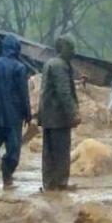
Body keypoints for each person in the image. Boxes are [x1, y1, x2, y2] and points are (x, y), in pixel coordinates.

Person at [0, 34, 31, 189]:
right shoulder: (20, 68)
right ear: (16, 49)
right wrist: (27, 113)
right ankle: (7, 176)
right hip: (13, 117)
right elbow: (23, 93)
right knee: (13, 151)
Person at [38, 35, 80, 191]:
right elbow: (64, 92)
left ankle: (49, 184)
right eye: (71, 48)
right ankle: (61, 183)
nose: (74, 51)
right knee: (62, 151)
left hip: (48, 115)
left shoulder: (50, 63)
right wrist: (73, 113)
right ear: (62, 48)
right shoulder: (60, 66)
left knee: (48, 152)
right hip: (58, 117)